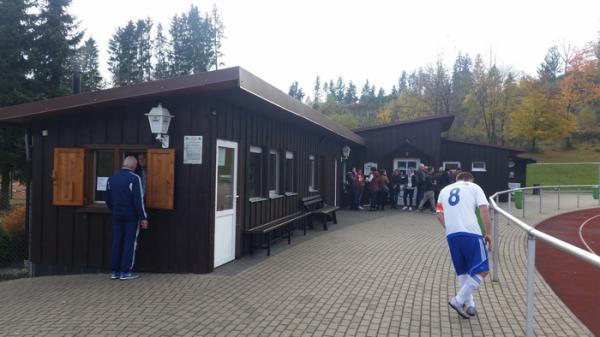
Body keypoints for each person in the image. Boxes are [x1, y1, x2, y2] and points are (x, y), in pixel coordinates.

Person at [436, 171, 492, 319]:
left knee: (463, 272)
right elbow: (484, 209)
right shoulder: (474, 187)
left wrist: (450, 229)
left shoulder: (444, 190)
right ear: (471, 179)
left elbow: (439, 214)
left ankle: (471, 305)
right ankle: (458, 300)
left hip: (452, 235)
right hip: (471, 233)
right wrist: (489, 233)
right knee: (483, 269)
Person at [107, 156, 148, 280]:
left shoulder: (112, 178)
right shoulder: (135, 178)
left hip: (116, 215)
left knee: (117, 241)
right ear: (134, 166)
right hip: (131, 216)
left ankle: (115, 271)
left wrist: (114, 210)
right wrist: (143, 217)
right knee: (130, 242)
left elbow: (108, 200)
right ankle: (125, 272)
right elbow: (138, 200)